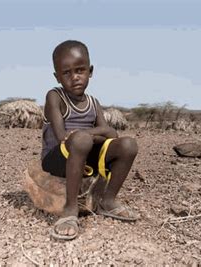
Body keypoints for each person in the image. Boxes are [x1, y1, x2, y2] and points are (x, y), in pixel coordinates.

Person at [41, 40, 139, 240]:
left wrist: (94, 134)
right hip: (57, 158)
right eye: (66, 73)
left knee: (128, 145)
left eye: (80, 70)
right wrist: (98, 132)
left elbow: (112, 135)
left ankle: (108, 201)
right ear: (57, 76)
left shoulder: (94, 103)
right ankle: (70, 209)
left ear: (90, 71)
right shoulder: (55, 97)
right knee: (81, 141)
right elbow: (63, 137)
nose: (74, 77)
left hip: (84, 156)